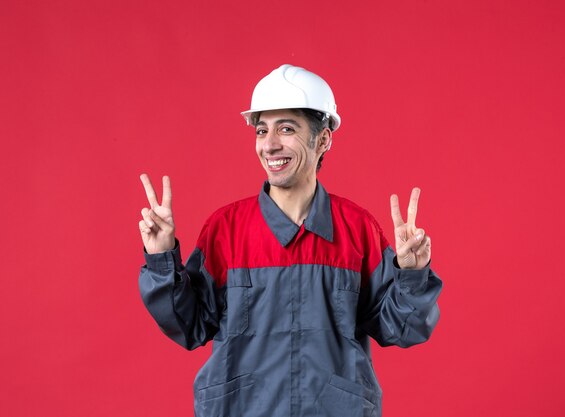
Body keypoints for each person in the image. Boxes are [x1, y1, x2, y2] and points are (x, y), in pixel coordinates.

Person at [138, 64, 442, 417]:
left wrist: (411, 274)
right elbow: (189, 326)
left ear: (323, 138)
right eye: (261, 130)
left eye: (286, 129)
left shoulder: (357, 229)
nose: (269, 145)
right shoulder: (225, 229)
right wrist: (161, 259)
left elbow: (401, 329)